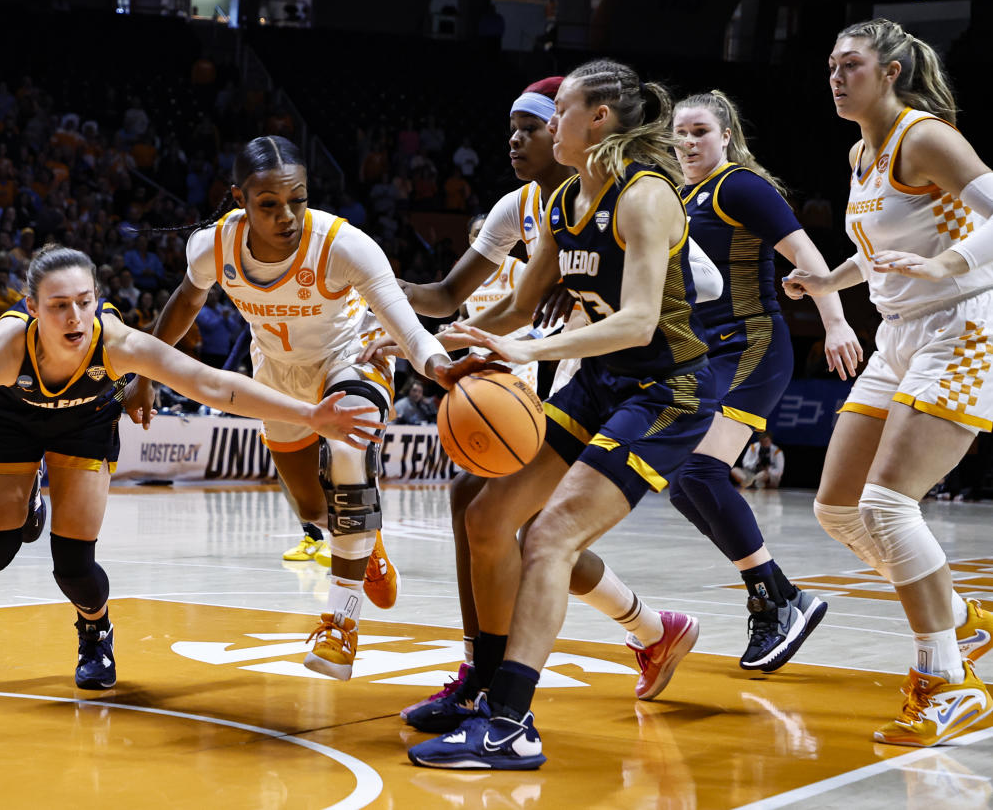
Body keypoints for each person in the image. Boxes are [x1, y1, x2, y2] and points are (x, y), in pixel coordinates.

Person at [0, 245, 383, 691]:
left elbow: (213, 385)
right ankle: (27, 504)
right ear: (32, 309)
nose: (73, 317)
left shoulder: (117, 345)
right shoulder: (1, 353)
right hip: (11, 419)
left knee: (74, 562)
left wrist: (313, 414)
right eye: (59, 306)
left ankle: (95, 632)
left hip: (85, 423)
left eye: (84, 303)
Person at [407, 59, 715, 770]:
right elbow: (516, 305)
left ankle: (512, 725)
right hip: (603, 384)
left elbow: (639, 322)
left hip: (663, 391)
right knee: (486, 518)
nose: (550, 124)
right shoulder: (564, 199)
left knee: (549, 538)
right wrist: (446, 342)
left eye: (560, 110)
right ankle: (486, 692)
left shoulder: (646, 198)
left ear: (596, 119)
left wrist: (529, 344)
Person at [125, 136, 476, 681]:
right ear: (239, 199)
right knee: (315, 512)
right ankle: (366, 539)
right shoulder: (211, 247)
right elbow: (187, 300)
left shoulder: (344, 244)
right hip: (278, 375)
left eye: (299, 200)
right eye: (268, 204)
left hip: (350, 359)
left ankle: (341, 623)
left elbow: (404, 322)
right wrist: (144, 371)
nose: (286, 215)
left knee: (346, 448)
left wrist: (437, 367)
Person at [784, 18, 993, 746]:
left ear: (893, 71)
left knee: (888, 503)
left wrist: (950, 265)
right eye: (832, 66)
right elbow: (881, 249)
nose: (837, 77)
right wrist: (829, 278)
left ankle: (948, 680)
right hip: (898, 334)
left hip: (962, 325)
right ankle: (964, 620)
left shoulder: (925, 137)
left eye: (851, 65)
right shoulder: (860, 153)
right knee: (838, 509)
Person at [667, 90, 864, 672]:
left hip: (751, 345)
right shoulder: (679, 197)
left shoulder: (740, 186)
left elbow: (806, 256)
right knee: (684, 484)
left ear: (725, 134)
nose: (687, 142)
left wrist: (834, 323)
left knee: (700, 470)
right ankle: (781, 595)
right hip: (705, 354)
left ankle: (774, 600)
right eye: (679, 132)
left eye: (699, 131)